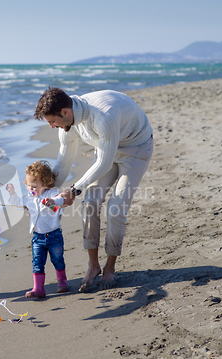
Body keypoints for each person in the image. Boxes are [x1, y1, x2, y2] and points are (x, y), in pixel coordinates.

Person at [34, 87, 153, 291]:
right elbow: (63, 164)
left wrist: (74, 189)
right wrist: (45, 194)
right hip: (106, 147)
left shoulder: (102, 117)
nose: (52, 127)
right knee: (90, 204)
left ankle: (110, 266)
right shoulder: (67, 125)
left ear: (65, 112)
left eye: (52, 122)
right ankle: (93, 265)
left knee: (116, 208)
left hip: (136, 148)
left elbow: (104, 164)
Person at [7, 160, 68, 298]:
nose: (31, 189)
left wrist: (52, 203)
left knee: (57, 260)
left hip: (54, 235)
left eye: (34, 186)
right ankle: (38, 288)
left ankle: (62, 282)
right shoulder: (29, 198)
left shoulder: (52, 193)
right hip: (38, 237)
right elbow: (18, 204)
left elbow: (59, 206)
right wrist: (12, 194)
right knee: (37, 263)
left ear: (45, 183)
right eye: (29, 186)